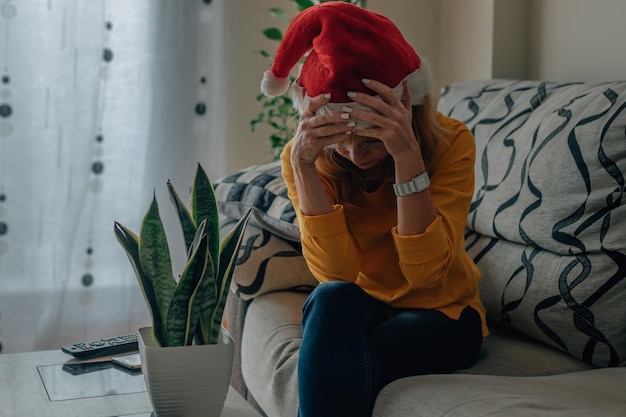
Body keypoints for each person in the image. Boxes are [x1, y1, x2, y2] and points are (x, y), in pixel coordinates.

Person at [260, 3, 488, 417]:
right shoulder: (305, 158)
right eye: (340, 140)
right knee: (329, 300)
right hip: (363, 308)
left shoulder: (453, 142)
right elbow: (336, 274)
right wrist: (305, 167)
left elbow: (425, 273)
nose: (353, 154)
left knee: (336, 357)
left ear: (408, 111)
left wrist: (406, 156)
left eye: (368, 139)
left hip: (443, 314)